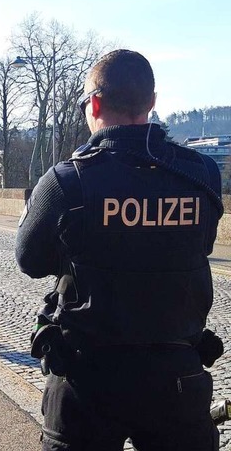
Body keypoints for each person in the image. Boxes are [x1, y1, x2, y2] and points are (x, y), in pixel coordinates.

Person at [15, 49, 224, 451]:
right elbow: (201, 243)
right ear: (152, 102)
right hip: (176, 378)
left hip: (87, 380)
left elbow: (29, 260)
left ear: (94, 103)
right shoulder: (201, 174)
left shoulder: (68, 180)